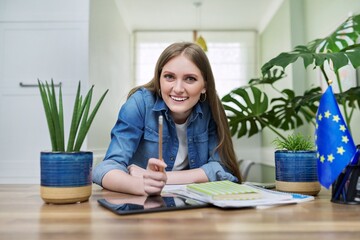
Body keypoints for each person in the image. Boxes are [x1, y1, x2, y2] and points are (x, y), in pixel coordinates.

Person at [93, 42, 241, 195]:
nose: (177, 89)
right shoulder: (139, 104)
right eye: (169, 77)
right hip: (142, 206)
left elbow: (221, 168)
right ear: (159, 79)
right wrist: (141, 185)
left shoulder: (210, 109)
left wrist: (160, 178)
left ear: (204, 85)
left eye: (190, 79)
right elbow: (106, 168)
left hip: (191, 206)